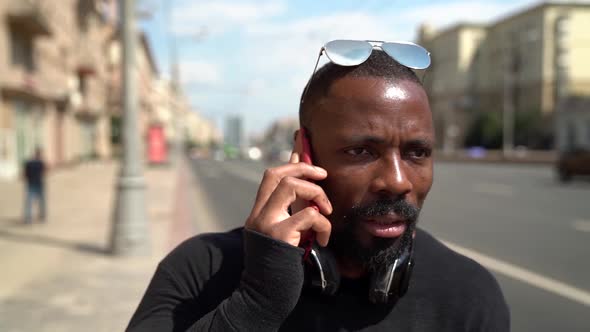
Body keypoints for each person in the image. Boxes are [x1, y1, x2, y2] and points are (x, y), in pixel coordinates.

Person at [127, 41, 510, 331]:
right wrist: (255, 303)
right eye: (361, 150)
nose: (396, 181)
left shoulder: (469, 294)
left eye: (416, 153)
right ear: (303, 153)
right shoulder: (201, 269)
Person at [23, 147, 47, 224]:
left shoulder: (28, 162)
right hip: (39, 183)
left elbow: (24, 173)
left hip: (31, 184)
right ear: (39, 154)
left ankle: (28, 218)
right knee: (41, 201)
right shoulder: (41, 163)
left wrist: (27, 179)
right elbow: (45, 171)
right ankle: (42, 215)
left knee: (29, 202)